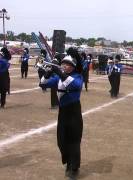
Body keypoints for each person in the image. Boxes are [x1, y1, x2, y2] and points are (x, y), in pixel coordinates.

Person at [39, 48, 83, 179]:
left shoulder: (77, 76)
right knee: (62, 140)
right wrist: (47, 73)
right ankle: (68, 162)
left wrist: (60, 73)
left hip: (74, 111)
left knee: (74, 140)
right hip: (63, 112)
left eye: (67, 64)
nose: (64, 66)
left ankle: (73, 167)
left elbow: (75, 85)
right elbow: (43, 84)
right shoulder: (58, 77)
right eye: (63, 63)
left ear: (73, 67)